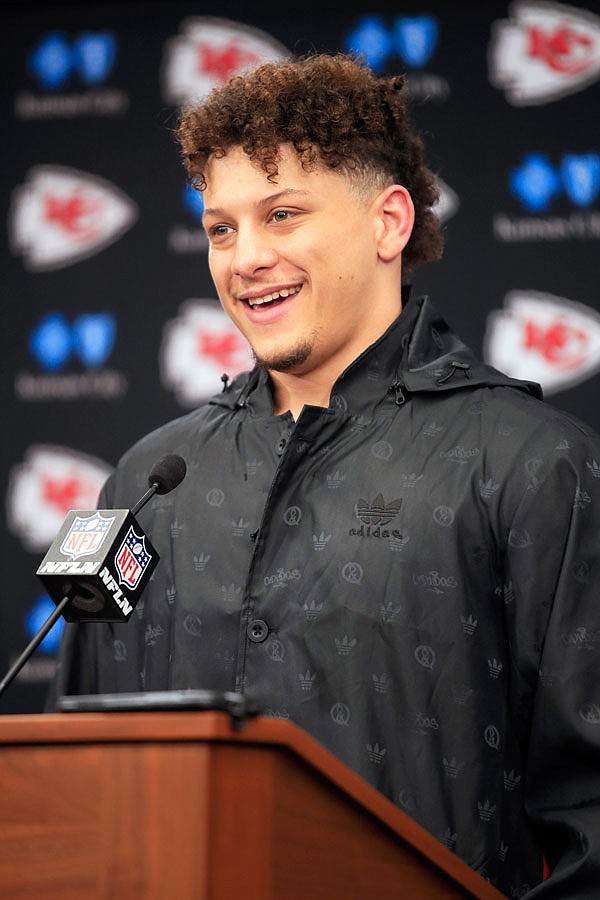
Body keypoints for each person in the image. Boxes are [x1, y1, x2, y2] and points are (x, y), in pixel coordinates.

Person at [49, 52, 600, 897]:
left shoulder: (532, 465)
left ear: (389, 224)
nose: (246, 259)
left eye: (282, 214)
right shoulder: (145, 481)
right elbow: (80, 784)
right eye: (222, 228)